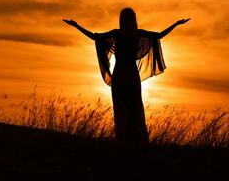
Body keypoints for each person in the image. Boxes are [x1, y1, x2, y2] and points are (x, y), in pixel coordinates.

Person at [63, 8, 190, 144]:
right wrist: (176, 24)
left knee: (125, 107)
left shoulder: (121, 34)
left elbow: (95, 37)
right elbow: (159, 35)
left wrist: (76, 26)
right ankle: (132, 140)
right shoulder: (132, 33)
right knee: (131, 106)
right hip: (128, 75)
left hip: (123, 75)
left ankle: (127, 139)